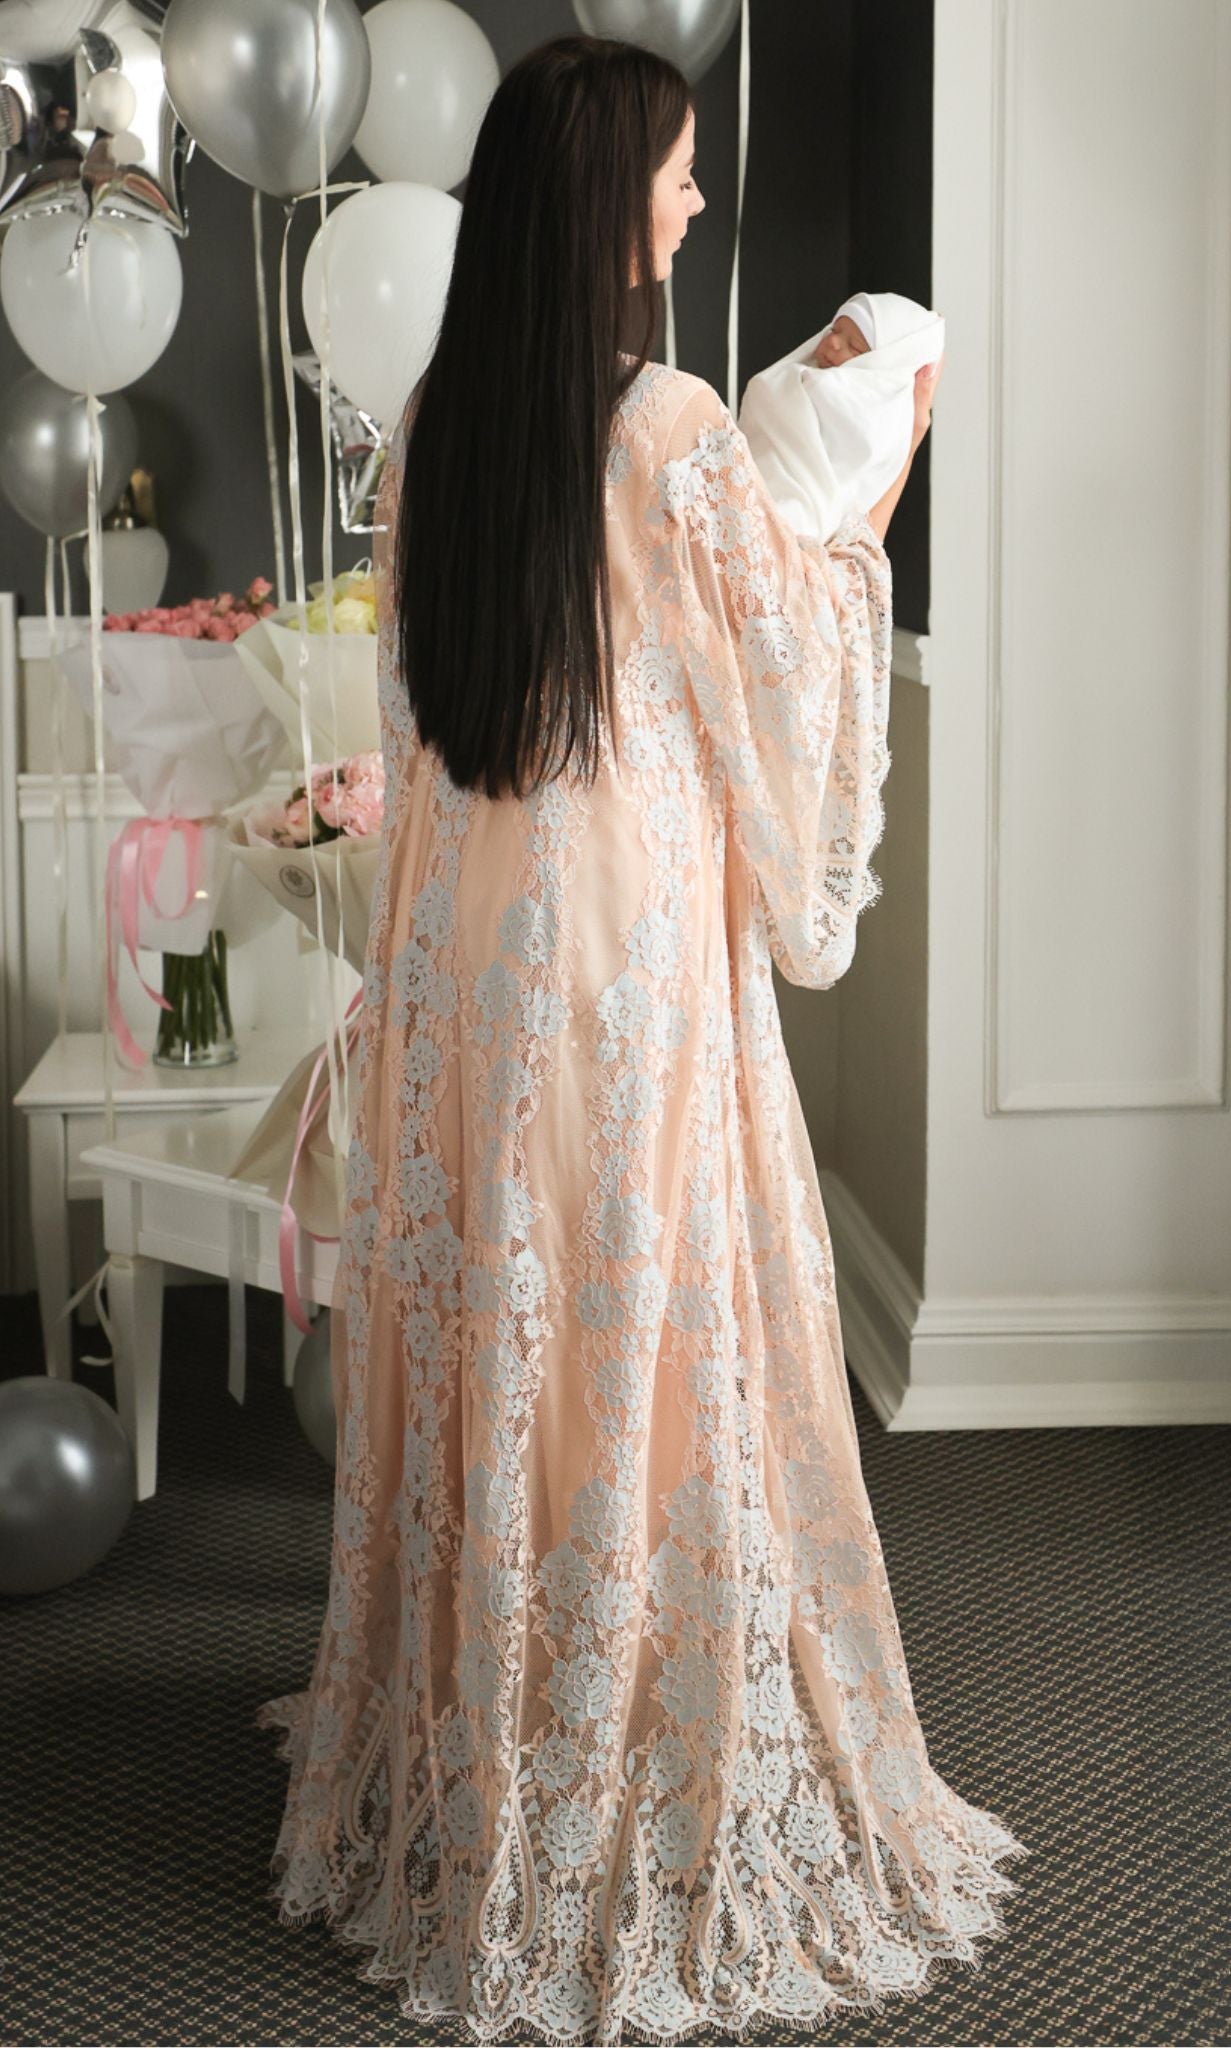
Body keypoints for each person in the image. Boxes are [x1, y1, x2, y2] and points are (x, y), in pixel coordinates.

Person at [256, 32, 1026, 2046]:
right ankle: (610, 1765)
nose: (694, 204)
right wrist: (880, 493)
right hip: (627, 973)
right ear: (611, 200)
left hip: (474, 955)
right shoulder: (670, 424)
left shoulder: (438, 419)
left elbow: (440, 714)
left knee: (521, 1329)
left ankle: (482, 1715)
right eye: (676, 174)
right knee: (642, 1329)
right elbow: (782, 667)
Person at [740, 289, 947, 544]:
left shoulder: (876, 416)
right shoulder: (795, 377)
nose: (834, 343)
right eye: (835, 330)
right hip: (756, 501)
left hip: (800, 526)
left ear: (880, 369)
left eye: (856, 348)